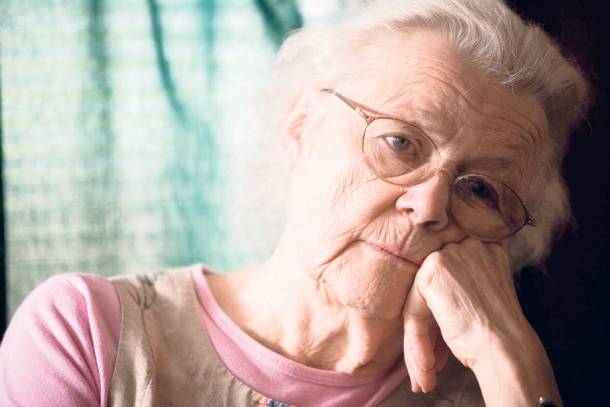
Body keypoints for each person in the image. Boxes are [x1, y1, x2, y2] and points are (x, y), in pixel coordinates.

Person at [0, 0, 590, 406]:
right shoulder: (90, 333)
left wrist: (507, 359)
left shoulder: (495, 387)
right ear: (299, 127)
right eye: (400, 142)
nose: (430, 204)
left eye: (482, 189)